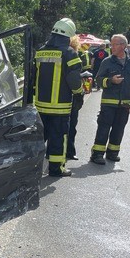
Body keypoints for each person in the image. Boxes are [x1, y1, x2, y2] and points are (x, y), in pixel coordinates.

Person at [34, 18, 83, 177]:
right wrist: (79, 93)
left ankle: (32, 168)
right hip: (60, 107)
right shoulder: (69, 53)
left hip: (40, 105)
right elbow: (74, 80)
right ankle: (56, 169)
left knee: (39, 138)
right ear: (69, 35)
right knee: (58, 137)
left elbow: (33, 77)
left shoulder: (40, 51)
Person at [90, 34, 130, 164]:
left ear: (123, 46)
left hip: (125, 103)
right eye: (111, 44)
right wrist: (110, 81)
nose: (112, 47)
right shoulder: (107, 61)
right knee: (103, 128)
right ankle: (97, 154)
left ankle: (112, 153)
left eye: (115, 44)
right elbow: (98, 79)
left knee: (119, 129)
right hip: (108, 103)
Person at [66, 36, 89, 160]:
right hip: (71, 97)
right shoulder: (71, 55)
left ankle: (67, 151)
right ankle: (69, 152)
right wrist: (80, 93)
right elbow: (73, 79)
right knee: (71, 126)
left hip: (58, 99)